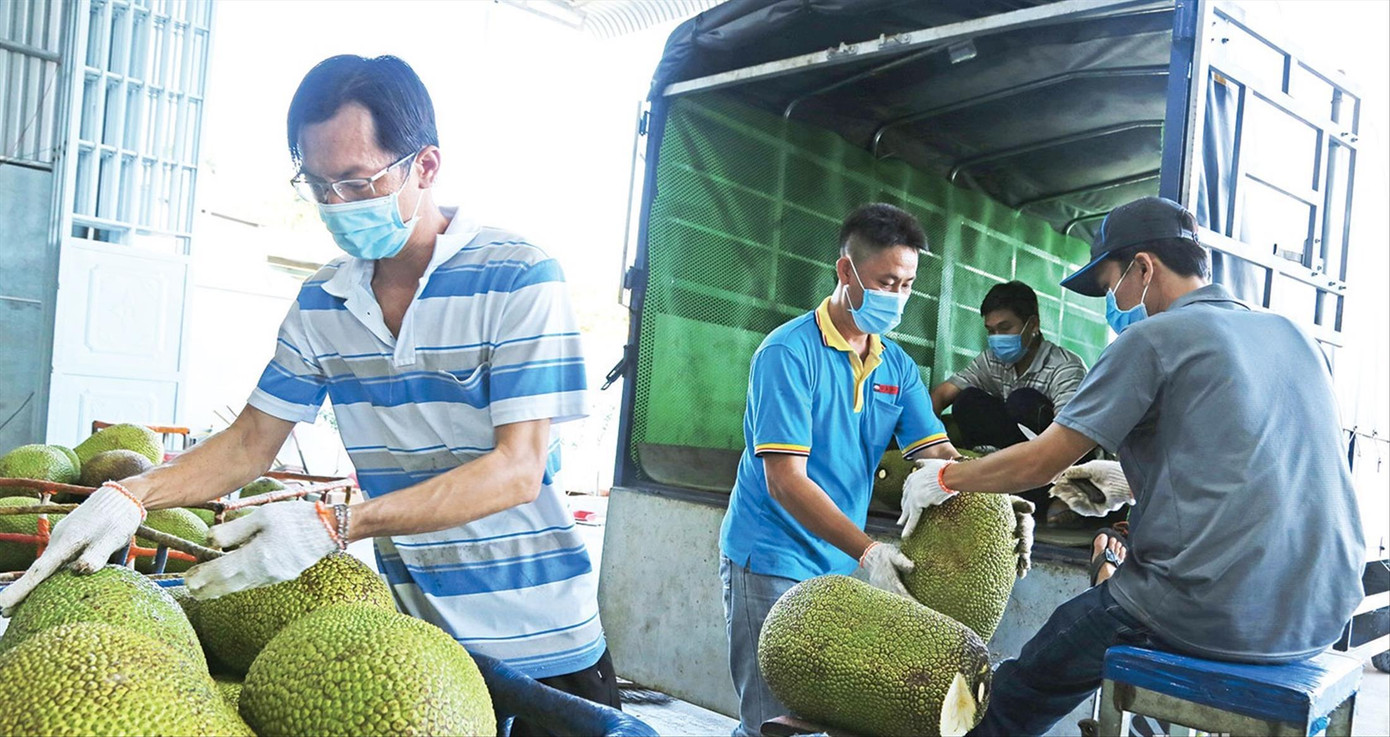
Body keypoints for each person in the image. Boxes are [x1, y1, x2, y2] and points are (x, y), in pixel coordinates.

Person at [0, 55, 619, 732]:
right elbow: (248, 443)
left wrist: (340, 523)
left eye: (357, 183)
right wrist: (131, 495)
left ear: (426, 166)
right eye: (318, 185)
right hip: (411, 656)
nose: (336, 206)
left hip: (544, 646)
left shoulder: (518, 277)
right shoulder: (323, 300)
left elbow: (517, 470)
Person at [897, 196, 1365, 737]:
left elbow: (1042, 461)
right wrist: (1123, 484)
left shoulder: (1154, 337)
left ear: (1144, 267)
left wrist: (943, 477)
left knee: (1023, 685)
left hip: (1205, 610)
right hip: (1325, 612)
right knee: (1109, 574)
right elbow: (1255, 459)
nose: (1114, 303)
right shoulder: (1295, 335)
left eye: (1112, 285)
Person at [719, 203, 961, 737]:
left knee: (821, 719)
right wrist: (870, 551)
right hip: (771, 558)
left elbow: (939, 457)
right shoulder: (788, 353)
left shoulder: (895, 365)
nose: (897, 297)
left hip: (839, 566)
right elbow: (786, 481)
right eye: (886, 281)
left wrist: (1000, 501)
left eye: (907, 284)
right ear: (846, 271)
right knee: (772, 721)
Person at [930, 280, 1088, 450]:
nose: (997, 337)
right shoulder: (992, 360)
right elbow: (942, 394)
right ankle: (996, 457)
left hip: (1065, 451)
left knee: (1022, 401)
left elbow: (1071, 434)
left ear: (1033, 324)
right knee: (966, 400)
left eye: (1005, 328)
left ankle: (1020, 465)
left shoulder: (1065, 368)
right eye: (991, 331)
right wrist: (928, 442)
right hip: (1020, 446)